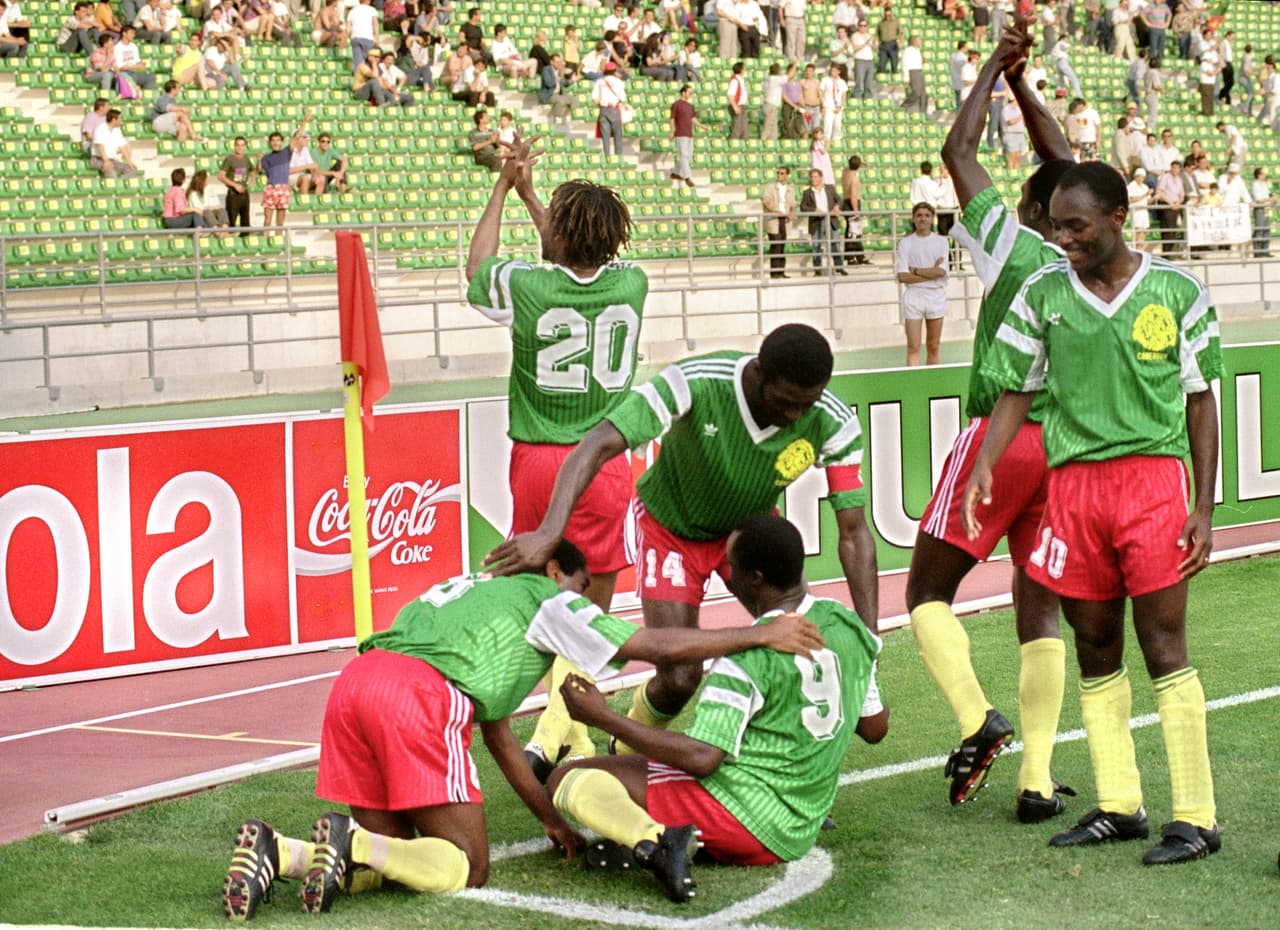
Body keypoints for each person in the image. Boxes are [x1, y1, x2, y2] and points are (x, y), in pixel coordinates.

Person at [221, 539, 825, 918]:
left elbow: (500, 735)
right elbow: (647, 644)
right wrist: (756, 632)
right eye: (581, 587)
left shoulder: (467, 594)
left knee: (400, 860)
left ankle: (288, 852)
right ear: (555, 567)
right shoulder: (547, 598)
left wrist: (549, 818)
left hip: (355, 689)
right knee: (466, 866)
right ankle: (348, 840)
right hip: (419, 698)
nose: (584, 602)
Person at [963, 160, 1223, 866]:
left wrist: (1203, 502)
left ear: (1117, 216)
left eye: (1075, 225)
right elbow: (1017, 386)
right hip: (1074, 489)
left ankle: (1196, 816)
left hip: (1153, 483)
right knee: (1095, 646)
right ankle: (1119, 804)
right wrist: (988, 456)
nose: (1061, 237)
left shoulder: (1175, 291)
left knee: (1164, 646)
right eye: (1053, 223)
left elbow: (1202, 400)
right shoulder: (1042, 295)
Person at [485, 323, 879, 757]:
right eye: (785, 403)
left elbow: (854, 532)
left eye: (806, 406)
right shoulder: (696, 380)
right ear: (758, 372)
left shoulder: (832, 420)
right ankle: (625, 749)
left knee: (800, 646)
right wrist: (548, 532)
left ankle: (772, 778)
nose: (795, 418)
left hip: (747, 537)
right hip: (671, 530)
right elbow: (596, 442)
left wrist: (869, 638)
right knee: (679, 678)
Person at [548, 514, 887, 902]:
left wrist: (601, 716)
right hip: (802, 822)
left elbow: (703, 758)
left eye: (731, 567)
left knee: (567, 779)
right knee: (643, 769)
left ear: (754, 578)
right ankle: (654, 835)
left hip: (745, 817)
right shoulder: (849, 626)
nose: (726, 573)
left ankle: (652, 842)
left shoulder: (745, 656)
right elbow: (875, 727)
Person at [913, 28, 1077, 818]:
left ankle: (979, 720)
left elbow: (958, 147)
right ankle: (1038, 779)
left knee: (926, 594)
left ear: (1030, 210)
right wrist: (1023, 83)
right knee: (1039, 607)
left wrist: (988, 67)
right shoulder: (1097, 259)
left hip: (1002, 436)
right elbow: (1066, 161)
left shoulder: (1011, 243)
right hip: (1066, 450)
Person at [466, 133, 647, 778]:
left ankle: (541, 729)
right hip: (606, 461)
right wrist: (535, 199)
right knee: (591, 614)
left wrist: (502, 189)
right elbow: (576, 252)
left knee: (535, 602)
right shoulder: (632, 283)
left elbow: (477, 266)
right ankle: (563, 731)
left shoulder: (529, 285)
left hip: (540, 462)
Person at [895, 203, 948, 366]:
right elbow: (903, 276)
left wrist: (915, 270)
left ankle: (932, 384)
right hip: (914, 296)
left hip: (936, 296)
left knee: (933, 346)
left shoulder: (941, 242)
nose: (922, 219)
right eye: (919, 215)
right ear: (913, 218)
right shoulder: (905, 243)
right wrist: (930, 272)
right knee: (913, 347)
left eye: (926, 215)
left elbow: (941, 272)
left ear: (932, 219)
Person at [802, 168, 844, 276]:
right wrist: (814, 210)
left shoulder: (830, 188)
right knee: (817, 245)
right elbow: (803, 207)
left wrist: (837, 206)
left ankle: (839, 268)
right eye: (812, 177)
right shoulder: (807, 192)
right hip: (816, 221)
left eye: (815, 177)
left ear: (821, 178)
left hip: (830, 219)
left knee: (835, 243)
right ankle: (818, 270)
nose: (813, 179)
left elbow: (839, 199)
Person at [761, 165, 795, 279]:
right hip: (774, 219)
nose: (779, 175)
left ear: (786, 175)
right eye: (778, 173)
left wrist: (792, 212)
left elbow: (793, 205)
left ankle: (781, 271)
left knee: (781, 246)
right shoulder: (770, 187)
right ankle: (775, 272)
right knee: (775, 245)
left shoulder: (790, 189)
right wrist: (774, 211)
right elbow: (765, 201)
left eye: (782, 173)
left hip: (784, 220)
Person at [219, 135, 256, 232]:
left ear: (245, 146)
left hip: (244, 194)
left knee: (245, 221)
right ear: (234, 146)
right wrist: (234, 185)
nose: (240, 147)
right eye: (238, 145)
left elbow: (252, 171)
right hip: (233, 194)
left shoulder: (246, 159)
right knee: (231, 221)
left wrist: (252, 180)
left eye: (242, 145)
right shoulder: (229, 159)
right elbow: (221, 176)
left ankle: (245, 242)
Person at [669, 83, 703, 187]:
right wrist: (672, 131)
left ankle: (675, 173)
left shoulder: (690, 106)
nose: (691, 94)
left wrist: (701, 126)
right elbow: (672, 119)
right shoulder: (676, 104)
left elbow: (692, 118)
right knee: (683, 155)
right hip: (681, 133)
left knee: (688, 156)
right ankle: (687, 176)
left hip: (689, 134)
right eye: (689, 92)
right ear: (683, 93)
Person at [90, 108, 138, 179]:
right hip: (99, 159)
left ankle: (119, 184)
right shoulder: (100, 129)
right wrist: (106, 161)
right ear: (113, 120)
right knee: (111, 172)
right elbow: (100, 146)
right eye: (120, 118)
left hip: (112, 160)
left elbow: (122, 146)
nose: (121, 120)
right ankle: (116, 185)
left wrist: (129, 161)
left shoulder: (117, 130)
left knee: (132, 169)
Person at [592, 61, 627, 158]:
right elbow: (623, 98)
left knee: (605, 136)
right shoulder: (618, 82)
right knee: (617, 135)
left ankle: (607, 157)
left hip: (603, 109)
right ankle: (618, 157)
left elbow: (594, 97)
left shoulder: (599, 81)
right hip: (614, 109)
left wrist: (601, 104)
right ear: (614, 71)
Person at [841, 154, 868, 266]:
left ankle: (857, 255)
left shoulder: (845, 172)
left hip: (845, 202)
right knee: (855, 232)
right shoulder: (854, 179)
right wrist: (856, 211)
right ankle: (853, 256)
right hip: (853, 203)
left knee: (851, 230)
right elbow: (853, 197)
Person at [1251, 166, 1273, 258]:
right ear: (1259, 175)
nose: (1265, 175)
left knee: (1266, 230)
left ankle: (1265, 250)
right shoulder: (1255, 185)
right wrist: (1270, 198)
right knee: (1259, 230)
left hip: (1266, 209)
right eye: (1263, 173)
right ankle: (1257, 251)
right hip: (1260, 209)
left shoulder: (1264, 184)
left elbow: (1268, 193)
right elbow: (1259, 199)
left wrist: (1272, 196)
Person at [726, 60, 748, 140]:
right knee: (737, 129)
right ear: (741, 70)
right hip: (738, 105)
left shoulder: (740, 79)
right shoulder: (735, 80)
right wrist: (735, 107)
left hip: (742, 106)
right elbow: (730, 94)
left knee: (744, 129)